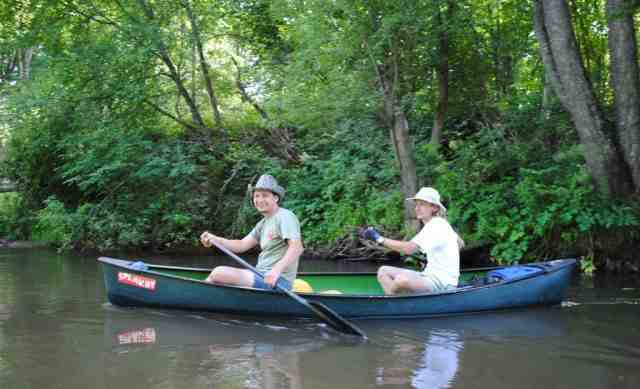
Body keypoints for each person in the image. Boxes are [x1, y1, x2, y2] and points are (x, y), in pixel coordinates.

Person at [200, 174, 304, 290]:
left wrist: (276, 270)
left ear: (276, 198)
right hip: (261, 275)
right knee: (213, 280)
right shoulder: (263, 223)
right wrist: (215, 239)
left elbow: (297, 247)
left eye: (265, 196)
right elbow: (241, 245)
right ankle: (199, 296)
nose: (259, 200)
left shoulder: (285, 216)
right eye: (256, 196)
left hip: (278, 281)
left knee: (218, 272)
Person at [361, 187, 463, 295]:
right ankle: (396, 301)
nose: (417, 208)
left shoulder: (437, 224)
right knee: (383, 271)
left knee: (401, 280)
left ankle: (391, 300)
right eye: (416, 204)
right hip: (428, 276)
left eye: (422, 204)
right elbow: (460, 244)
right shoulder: (438, 224)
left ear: (434, 208)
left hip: (443, 283)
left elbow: (408, 249)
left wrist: (378, 238)